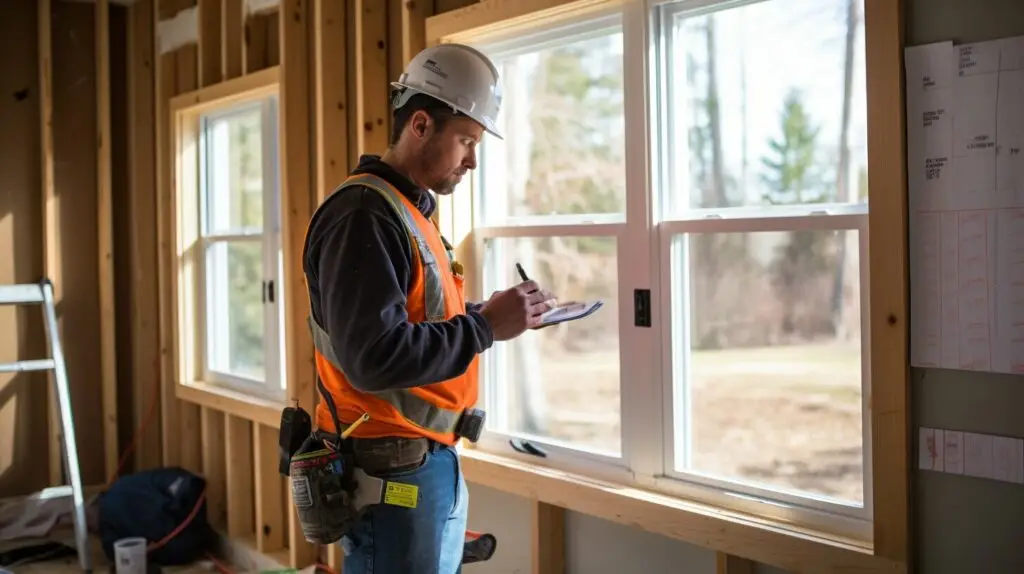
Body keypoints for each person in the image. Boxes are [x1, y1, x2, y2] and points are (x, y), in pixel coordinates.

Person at [301, 43, 556, 574]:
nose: (473, 159)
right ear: (420, 124)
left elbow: (413, 322)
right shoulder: (364, 216)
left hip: (421, 455)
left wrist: (491, 315)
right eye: (465, 140)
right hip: (388, 463)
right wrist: (484, 327)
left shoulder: (406, 210)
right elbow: (374, 357)